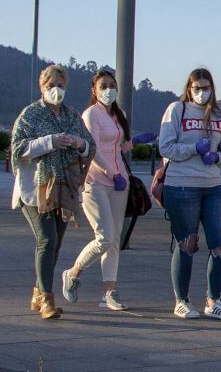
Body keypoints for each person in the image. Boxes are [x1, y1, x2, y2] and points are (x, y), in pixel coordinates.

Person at [61, 66, 154, 311]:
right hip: (96, 182)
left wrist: (134, 142)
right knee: (104, 237)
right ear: (94, 90)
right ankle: (72, 273)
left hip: (119, 183)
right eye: (103, 86)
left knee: (114, 241)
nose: (108, 90)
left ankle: (110, 293)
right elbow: (91, 149)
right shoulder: (90, 115)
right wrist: (111, 173)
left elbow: (117, 148)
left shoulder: (118, 114)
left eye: (112, 86)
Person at [11, 63, 94, 320]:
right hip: (36, 190)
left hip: (64, 188)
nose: (55, 90)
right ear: (41, 87)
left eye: (60, 85)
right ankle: (47, 299)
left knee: (55, 243)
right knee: (46, 239)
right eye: (50, 86)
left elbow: (89, 145)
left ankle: (38, 292)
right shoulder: (30, 115)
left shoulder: (71, 115)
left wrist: (79, 144)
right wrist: (49, 142)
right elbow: (17, 148)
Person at [158, 68, 221, 321]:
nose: (202, 92)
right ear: (189, 89)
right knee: (187, 243)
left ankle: (214, 300)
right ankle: (181, 300)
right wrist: (194, 148)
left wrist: (218, 156)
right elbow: (166, 146)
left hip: (212, 185)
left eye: (206, 87)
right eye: (197, 88)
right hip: (181, 184)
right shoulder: (176, 110)